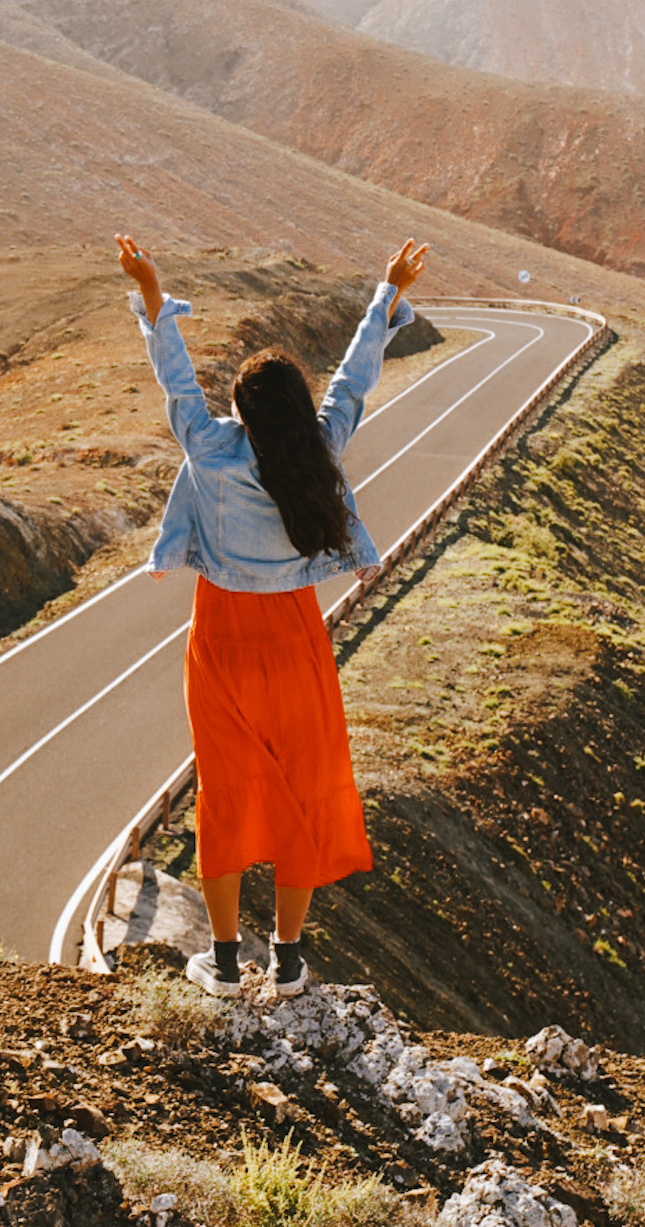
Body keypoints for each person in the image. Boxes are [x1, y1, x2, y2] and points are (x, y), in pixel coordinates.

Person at [115, 232, 430, 998]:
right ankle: (286, 961)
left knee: (225, 795)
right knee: (302, 788)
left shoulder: (211, 451)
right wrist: (384, 296)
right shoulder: (319, 449)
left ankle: (223, 966)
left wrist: (154, 298)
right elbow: (352, 384)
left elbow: (176, 384)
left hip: (221, 638)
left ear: (241, 412)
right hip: (294, 638)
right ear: (295, 411)